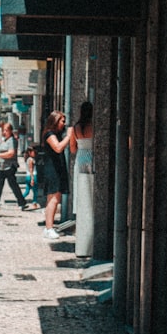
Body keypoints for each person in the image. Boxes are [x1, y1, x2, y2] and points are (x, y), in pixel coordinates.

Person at [0, 121, 36, 211]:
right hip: (1, 166)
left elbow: (11, 153)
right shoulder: (3, 141)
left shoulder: (12, 141)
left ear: (10, 131)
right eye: (3, 130)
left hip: (9, 166)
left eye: (6, 130)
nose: (4, 132)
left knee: (13, 185)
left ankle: (21, 202)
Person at [41, 110, 72, 240]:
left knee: (53, 199)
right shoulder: (49, 134)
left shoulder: (56, 134)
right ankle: (49, 228)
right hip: (52, 170)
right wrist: (69, 137)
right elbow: (58, 148)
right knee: (53, 199)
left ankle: (49, 227)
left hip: (57, 168)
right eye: (62, 121)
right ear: (55, 121)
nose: (64, 124)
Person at [70, 101, 94, 255]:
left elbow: (72, 148)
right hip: (92, 156)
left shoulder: (75, 128)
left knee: (81, 191)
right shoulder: (94, 126)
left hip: (80, 157)